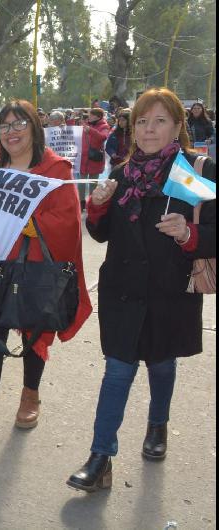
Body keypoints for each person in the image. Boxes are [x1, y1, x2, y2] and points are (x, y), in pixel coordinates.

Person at [67, 88, 216, 492]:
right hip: (122, 292)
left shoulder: (198, 172)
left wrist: (189, 234)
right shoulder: (119, 175)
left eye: (159, 121)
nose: (149, 130)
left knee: (162, 364)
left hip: (171, 293)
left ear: (177, 127)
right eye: (142, 122)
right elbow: (101, 234)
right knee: (117, 370)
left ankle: (158, 423)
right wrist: (96, 208)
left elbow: (214, 234)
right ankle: (101, 457)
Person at [0, 99, 91, 450]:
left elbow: (69, 221)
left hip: (37, 267)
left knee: (33, 334)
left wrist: (29, 225)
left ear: (34, 128)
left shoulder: (57, 170)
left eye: (19, 124)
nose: (12, 132)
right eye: (6, 125)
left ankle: (30, 394)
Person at [79, 107, 111, 208]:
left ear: (98, 117)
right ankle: (81, 202)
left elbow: (103, 137)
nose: (89, 117)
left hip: (94, 160)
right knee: (81, 183)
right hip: (83, 159)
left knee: (93, 184)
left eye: (91, 115)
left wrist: (91, 131)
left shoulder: (104, 126)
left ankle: (91, 203)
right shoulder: (86, 124)